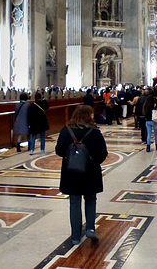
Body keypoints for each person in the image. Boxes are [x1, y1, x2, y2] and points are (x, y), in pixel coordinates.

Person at [55, 105, 108, 245]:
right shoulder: (95, 132)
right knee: (91, 200)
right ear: (87, 115)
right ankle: (90, 228)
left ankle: (75, 236)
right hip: (90, 172)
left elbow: (59, 151)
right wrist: (94, 162)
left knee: (74, 202)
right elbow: (103, 153)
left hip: (71, 172)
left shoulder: (66, 131)